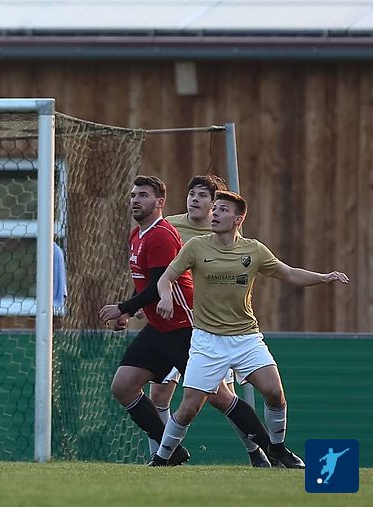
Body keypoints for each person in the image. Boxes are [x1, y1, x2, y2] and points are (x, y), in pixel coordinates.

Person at [151, 190, 349, 467]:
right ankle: (161, 458)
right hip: (207, 340)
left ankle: (277, 449)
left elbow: (288, 273)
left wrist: (324, 277)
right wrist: (165, 296)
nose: (215, 214)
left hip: (245, 337)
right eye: (215, 208)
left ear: (238, 219)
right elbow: (166, 278)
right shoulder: (196, 246)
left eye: (222, 210)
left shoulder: (253, 250)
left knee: (274, 392)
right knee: (189, 408)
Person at [99, 176, 276, 467]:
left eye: (142, 195)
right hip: (160, 326)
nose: (135, 200)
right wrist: (131, 310)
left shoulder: (174, 235)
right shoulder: (144, 233)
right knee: (128, 387)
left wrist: (124, 308)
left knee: (220, 397)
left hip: (191, 327)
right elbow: (149, 281)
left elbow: (162, 281)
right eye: (133, 195)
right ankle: (166, 452)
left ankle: (267, 451)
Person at [148, 175, 268, 467]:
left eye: (203, 196)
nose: (195, 199)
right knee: (159, 394)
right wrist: (146, 302)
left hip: (208, 328)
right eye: (192, 193)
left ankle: (258, 451)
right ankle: (160, 457)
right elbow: (158, 272)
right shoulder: (170, 226)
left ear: (217, 206)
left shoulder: (225, 234)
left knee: (220, 398)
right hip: (171, 323)